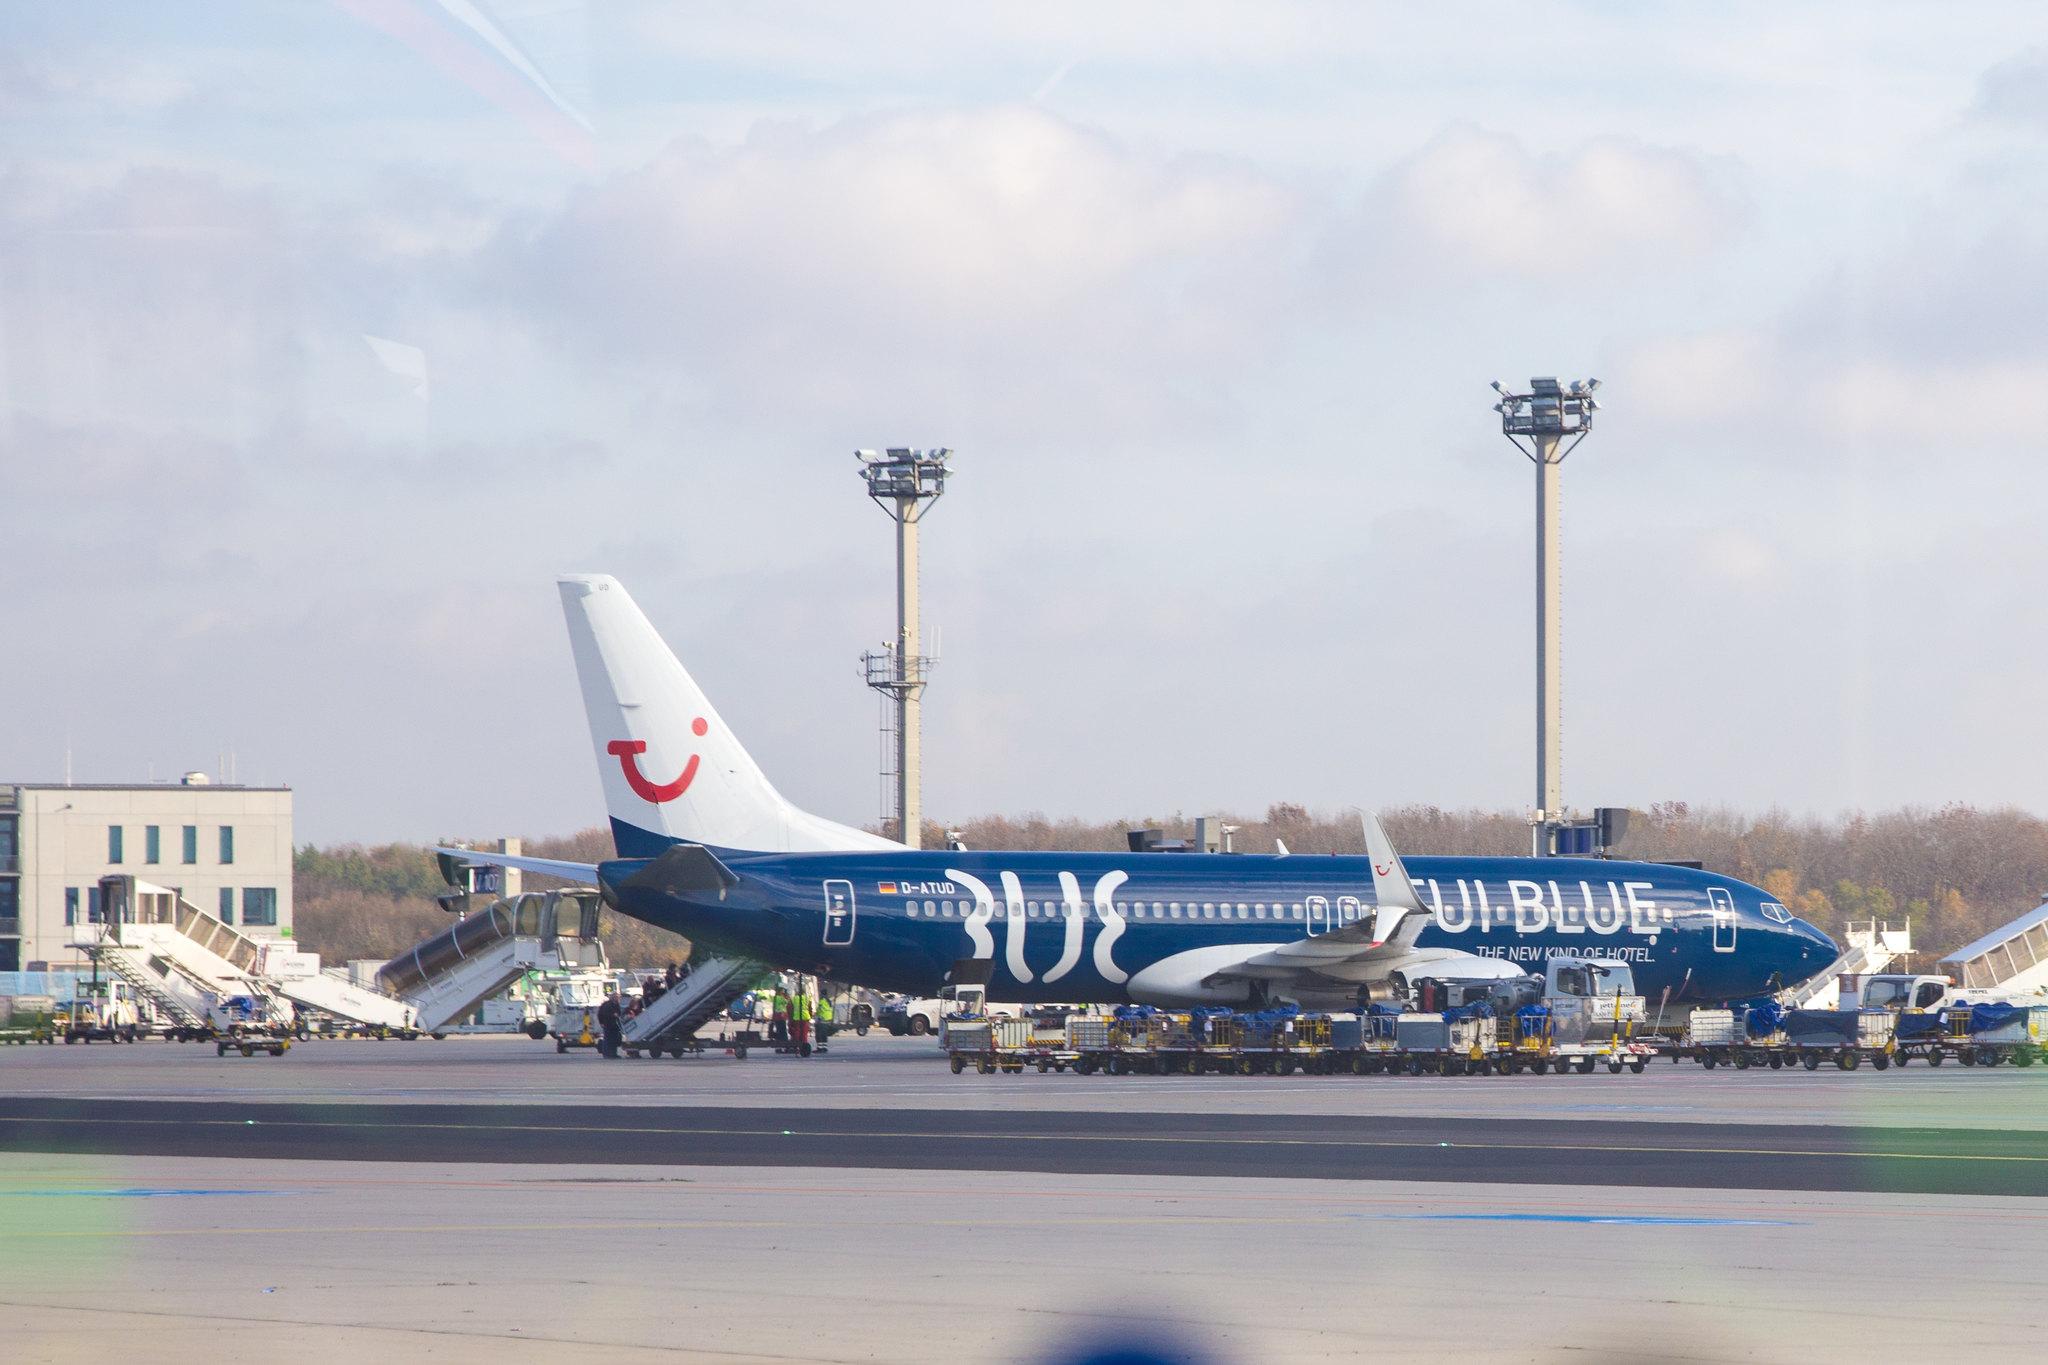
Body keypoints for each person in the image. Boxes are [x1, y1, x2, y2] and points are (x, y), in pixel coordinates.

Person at [595, 989, 622, 1059]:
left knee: (614, 1040)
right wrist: (601, 1022)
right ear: (612, 997)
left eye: (618, 997)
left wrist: (618, 1015)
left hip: (615, 1025)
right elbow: (602, 1014)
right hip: (608, 1024)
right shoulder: (607, 1004)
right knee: (607, 1040)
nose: (618, 998)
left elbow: (619, 1013)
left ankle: (613, 1054)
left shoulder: (617, 1004)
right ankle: (607, 1054)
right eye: (616, 997)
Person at [790, 988, 812, 1055]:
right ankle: (804, 1046)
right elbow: (810, 1008)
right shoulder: (807, 998)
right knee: (804, 1033)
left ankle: (796, 1046)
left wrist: (791, 1019)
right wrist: (810, 1016)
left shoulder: (793, 999)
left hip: (797, 1017)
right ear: (804, 992)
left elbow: (791, 1008)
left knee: (797, 1032)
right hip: (805, 1017)